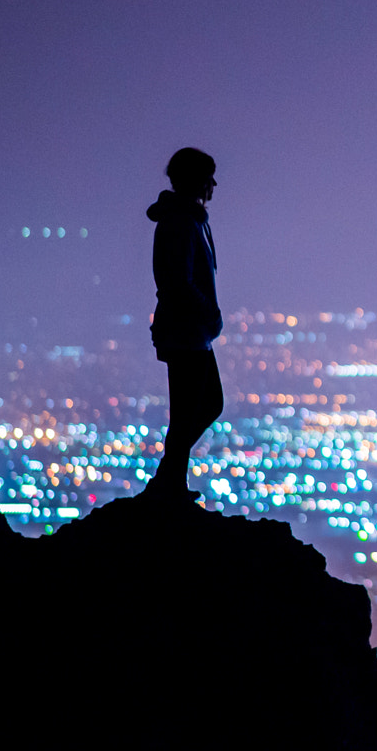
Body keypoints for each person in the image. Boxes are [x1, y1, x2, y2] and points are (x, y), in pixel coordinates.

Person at [141, 147, 223, 505]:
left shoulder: (190, 220)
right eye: (208, 177)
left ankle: (169, 479)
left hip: (192, 331)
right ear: (196, 180)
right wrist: (208, 312)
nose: (214, 184)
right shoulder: (181, 222)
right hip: (186, 331)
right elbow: (177, 281)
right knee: (195, 408)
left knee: (201, 406)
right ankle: (168, 483)